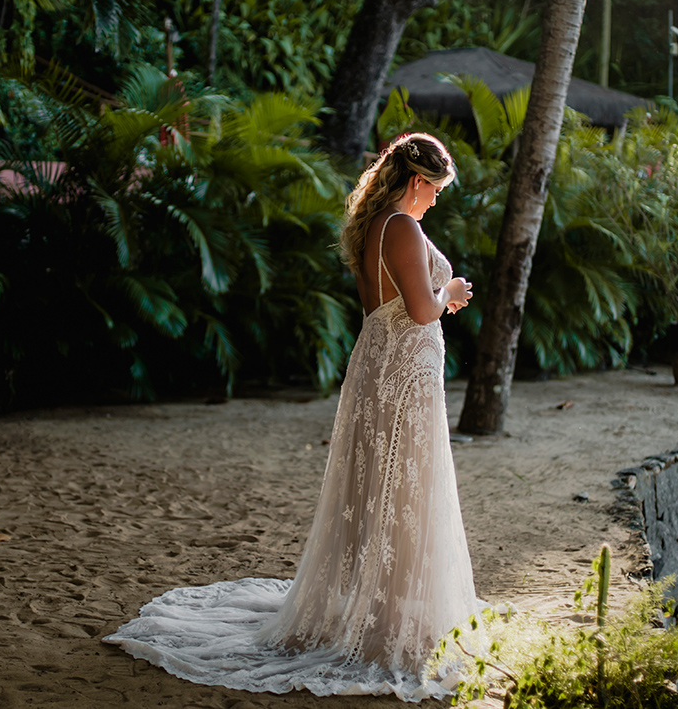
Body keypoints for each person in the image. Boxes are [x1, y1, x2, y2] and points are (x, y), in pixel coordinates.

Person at [103, 133, 483, 701]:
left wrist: (433, 295)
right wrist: (448, 288)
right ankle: (388, 624)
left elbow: (389, 308)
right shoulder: (400, 226)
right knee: (403, 490)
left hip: (391, 370)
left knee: (390, 490)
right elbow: (421, 308)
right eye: (435, 190)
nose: (435, 201)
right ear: (416, 181)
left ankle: (384, 609)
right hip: (402, 379)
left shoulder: (377, 225)